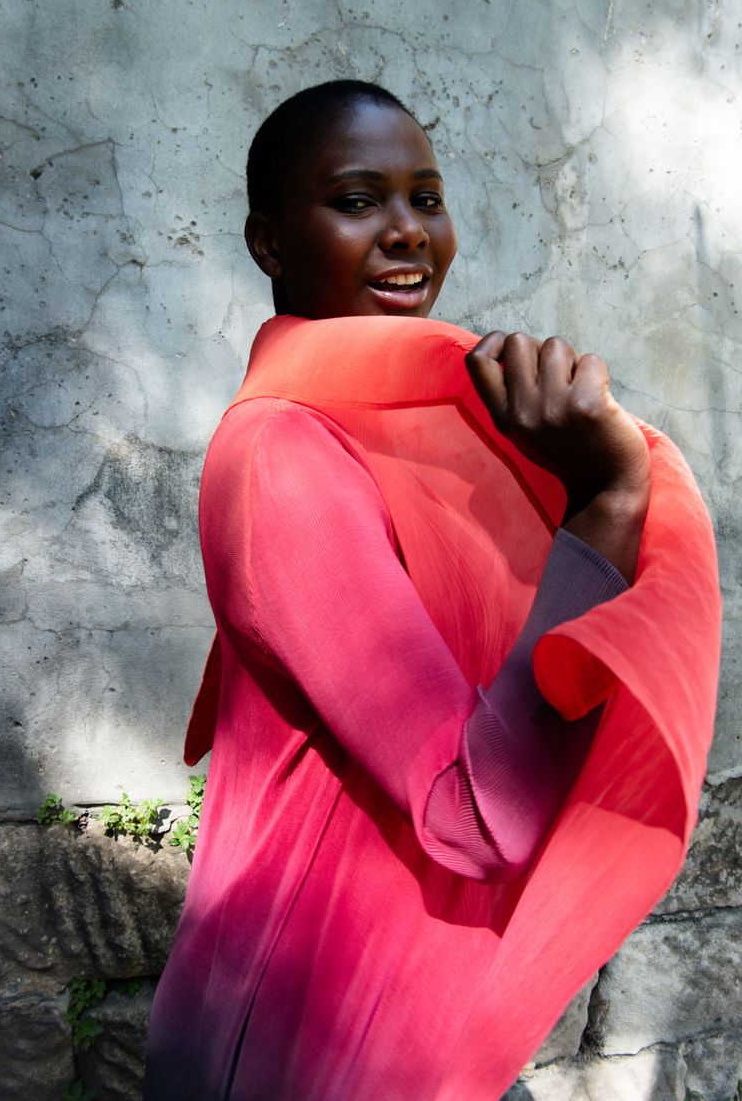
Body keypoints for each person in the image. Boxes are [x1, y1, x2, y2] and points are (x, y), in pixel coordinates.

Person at [144, 81, 720, 1100]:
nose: (408, 230)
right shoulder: (282, 449)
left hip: (399, 1020)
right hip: (299, 1039)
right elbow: (473, 815)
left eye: (426, 197)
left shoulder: (414, 426)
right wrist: (605, 502)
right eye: (357, 201)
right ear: (268, 241)